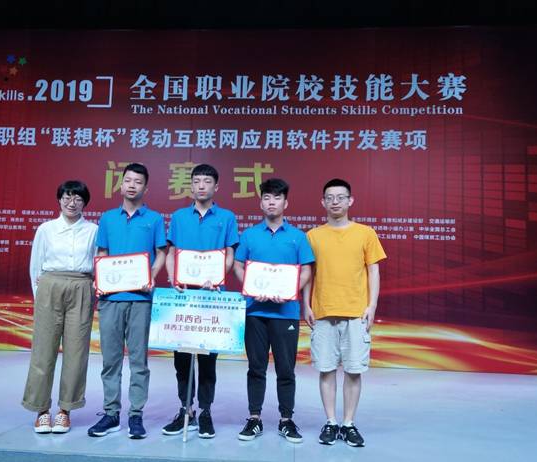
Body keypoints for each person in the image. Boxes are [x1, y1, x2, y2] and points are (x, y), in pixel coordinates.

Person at [302, 178, 386, 447]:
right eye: (330, 197)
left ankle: (348, 423)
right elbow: (309, 273)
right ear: (323, 202)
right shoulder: (313, 236)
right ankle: (330, 422)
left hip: (356, 313)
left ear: (350, 201)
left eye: (340, 197)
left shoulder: (365, 233)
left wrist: (372, 306)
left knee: (353, 370)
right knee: (326, 370)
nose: (335, 202)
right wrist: (306, 304)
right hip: (323, 311)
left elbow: (373, 270)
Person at [87, 163, 167, 439]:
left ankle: (136, 415)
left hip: (141, 299)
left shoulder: (154, 219)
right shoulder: (108, 219)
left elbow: (161, 253)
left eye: (138, 181)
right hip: (111, 298)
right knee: (110, 359)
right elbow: (102, 253)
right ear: (120, 185)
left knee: (138, 361)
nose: (132, 185)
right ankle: (111, 414)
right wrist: (100, 279)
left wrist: (152, 276)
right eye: (128, 180)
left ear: (146, 188)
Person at [233, 178, 314, 443]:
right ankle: (254, 418)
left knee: (286, 369)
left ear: (285, 203)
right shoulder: (249, 235)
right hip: (255, 312)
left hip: (285, 312)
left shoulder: (298, 237)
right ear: (261, 203)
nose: (271, 202)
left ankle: (286, 420)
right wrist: (250, 287)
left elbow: (306, 271)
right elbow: (238, 265)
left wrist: (289, 291)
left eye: (277, 198)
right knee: (256, 367)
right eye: (267, 197)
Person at [162, 163, 239, 439]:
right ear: (191, 186)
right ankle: (186, 410)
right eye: (196, 181)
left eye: (207, 181)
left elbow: (229, 254)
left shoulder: (227, 217)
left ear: (216, 186)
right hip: (183, 296)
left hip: (212, 297)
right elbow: (171, 253)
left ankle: (205, 411)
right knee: (182, 359)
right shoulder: (179, 217)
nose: (201, 186)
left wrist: (217, 278)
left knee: (207, 360)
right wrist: (173, 278)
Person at [22, 180, 98, 434]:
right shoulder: (46, 229)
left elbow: (98, 263)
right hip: (50, 286)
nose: (71, 203)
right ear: (59, 199)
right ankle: (41, 410)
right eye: (67, 197)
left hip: (81, 286)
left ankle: (66, 410)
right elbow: (36, 265)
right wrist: (40, 296)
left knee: (77, 352)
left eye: (77, 198)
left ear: (85, 203)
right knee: (43, 350)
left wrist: (92, 293)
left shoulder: (93, 230)